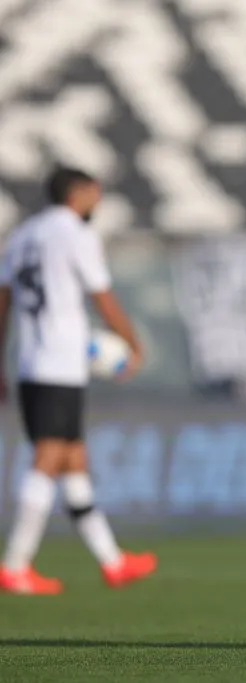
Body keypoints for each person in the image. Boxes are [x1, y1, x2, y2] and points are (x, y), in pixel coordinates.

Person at [0, 167, 157, 595]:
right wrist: (132, 344)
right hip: (60, 361)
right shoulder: (75, 235)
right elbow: (101, 295)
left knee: (73, 460)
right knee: (50, 456)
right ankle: (14, 564)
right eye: (95, 194)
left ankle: (112, 560)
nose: (98, 201)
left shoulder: (22, 235)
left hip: (33, 360)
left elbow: (3, 301)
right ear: (80, 194)